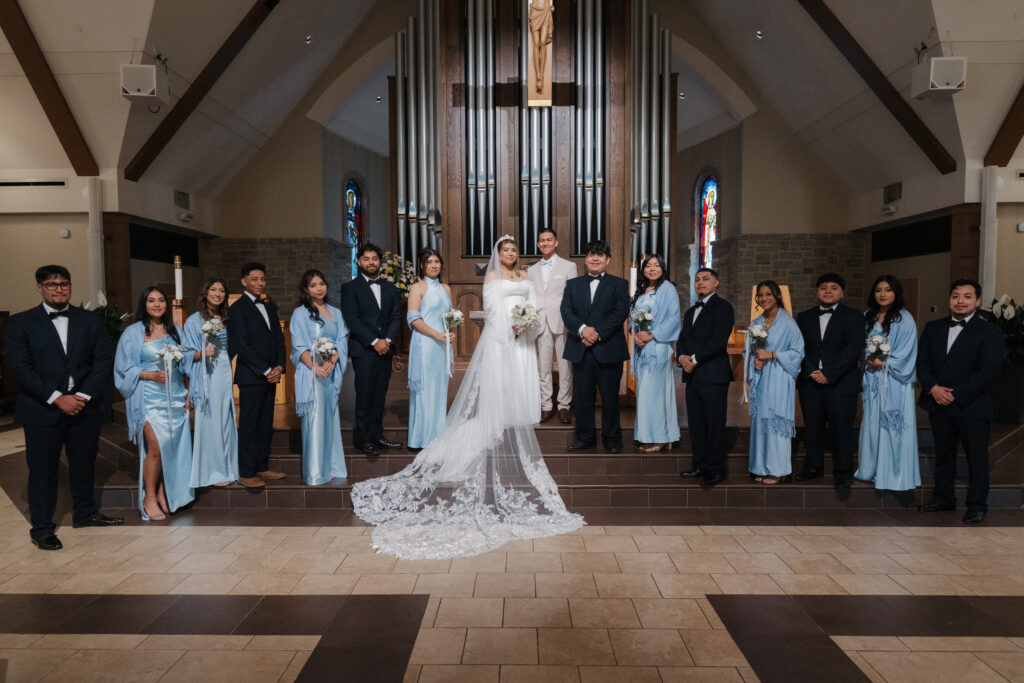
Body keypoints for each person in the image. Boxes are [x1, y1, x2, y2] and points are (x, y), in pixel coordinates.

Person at [351, 235, 583, 559]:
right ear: (498, 254)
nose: (510, 253)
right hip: (503, 335)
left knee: (524, 373)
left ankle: (523, 411)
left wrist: (525, 322)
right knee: (501, 379)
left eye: (514, 249)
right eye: (505, 249)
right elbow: (492, 308)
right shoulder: (492, 276)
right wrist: (510, 327)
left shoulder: (525, 276)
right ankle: (497, 413)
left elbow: (532, 304)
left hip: (523, 334)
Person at [4, 265, 122, 550]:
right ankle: (42, 528)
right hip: (41, 409)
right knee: (43, 469)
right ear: (39, 287)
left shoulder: (90, 320)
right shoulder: (22, 322)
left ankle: (86, 513)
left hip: (84, 406)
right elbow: (20, 366)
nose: (59, 289)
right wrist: (57, 397)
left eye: (64, 284)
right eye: (52, 284)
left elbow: (103, 360)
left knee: (84, 464)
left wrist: (81, 395)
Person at [917, 278, 1003, 525]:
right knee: (943, 455)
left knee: (976, 457)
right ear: (949, 299)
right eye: (955, 296)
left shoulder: (990, 332)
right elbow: (922, 362)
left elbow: (989, 371)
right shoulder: (933, 327)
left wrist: (955, 393)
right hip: (938, 403)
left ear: (976, 301)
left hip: (972, 406)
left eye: (967, 296)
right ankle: (943, 498)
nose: (960, 301)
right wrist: (933, 388)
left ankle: (977, 505)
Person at [114, 287, 194, 520]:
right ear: (144, 304)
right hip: (148, 398)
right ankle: (148, 496)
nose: (157, 304)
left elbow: (186, 365)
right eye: (151, 300)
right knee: (156, 449)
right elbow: (122, 369)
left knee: (172, 447)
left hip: (176, 397)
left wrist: (189, 392)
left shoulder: (175, 330)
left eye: (161, 300)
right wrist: (151, 375)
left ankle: (164, 492)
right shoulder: (132, 332)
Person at [794, 273, 863, 495]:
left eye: (834, 287)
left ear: (841, 292)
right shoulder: (804, 317)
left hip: (841, 384)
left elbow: (853, 349)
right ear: (817, 292)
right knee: (812, 427)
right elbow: (798, 347)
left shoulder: (853, 317)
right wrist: (812, 370)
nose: (828, 291)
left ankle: (843, 474)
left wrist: (830, 374)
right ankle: (813, 467)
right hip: (811, 382)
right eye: (823, 287)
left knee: (841, 430)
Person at [561, 240, 630, 453]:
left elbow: (620, 312)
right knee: (582, 398)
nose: (595, 258)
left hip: (609, 348)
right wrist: (583, 329)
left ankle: (612, 439)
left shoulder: (619, 284)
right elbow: (566, 311)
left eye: (600, 255)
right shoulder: (572, 284)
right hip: (581, 349)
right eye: (592, 254)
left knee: (610, 398)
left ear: (607, 260)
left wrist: (596, 332)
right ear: (585, 258)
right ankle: (585, 438)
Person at [854, 275, 920, 494]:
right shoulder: (867, 316)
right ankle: (870, 469)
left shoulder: (904, 319)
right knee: (872, 425)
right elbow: (861, 345)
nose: (882, 294)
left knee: (892, 426)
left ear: (896, 293)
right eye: (878, 290)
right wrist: (869, 357)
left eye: (888, 290)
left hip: (893, 382)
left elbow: (908, 351)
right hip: (872, 380)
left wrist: (885, 361)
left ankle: (893, 474)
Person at [340, 243, 404, 457]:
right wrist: (374, 341)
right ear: (359, 261)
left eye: (374, 259)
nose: (370, 262)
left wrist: (386, 340)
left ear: (379, 261)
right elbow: (352, 319)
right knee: (365, 394)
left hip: (385, 348)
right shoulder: (350, 288)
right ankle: (364, 439)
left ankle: (378, 435)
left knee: (380, 395)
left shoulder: (390, 288)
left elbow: (396, 317)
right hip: (364, 350)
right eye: (366, 259)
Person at [228, 262, 287, 489]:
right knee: (250, 424)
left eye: (262, 279)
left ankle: (263, 466)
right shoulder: (237, 309)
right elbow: (242, 345)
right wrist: (265, 370)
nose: (260, 283)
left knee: (265, 423)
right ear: (244, 281)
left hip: (272, 375)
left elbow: (279, 341)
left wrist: (279, 366)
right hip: (251, 376)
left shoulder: (269, 306)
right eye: (255, 279)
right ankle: (246, 471)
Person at [289, 269, 349, 485]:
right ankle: (316, 471)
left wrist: (333, 360)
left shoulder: (335, 312)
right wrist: (316, 367)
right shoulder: (300, 314)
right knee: (315, 421)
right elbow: (299, 346)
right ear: (306, 289)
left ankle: (331, 464)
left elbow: (341, 339)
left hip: (330, 373)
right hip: (313, 374)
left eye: (322, 283)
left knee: (330, 419)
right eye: (314, 285)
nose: (319, 288)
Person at [677, 267, 734, 488]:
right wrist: (681, 356)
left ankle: (716, 469)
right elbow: (682, 338)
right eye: (697, 280)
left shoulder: (723, 308)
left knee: (714, 423)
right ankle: (700, 465)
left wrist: (693, 358)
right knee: (697, 424)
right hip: (693, 376)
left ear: (716, 283)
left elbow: (718, 341)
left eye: (706, 279)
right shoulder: (691, 312)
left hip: (713, 375)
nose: (700, 283)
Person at [745, 280, 804, 485]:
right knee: (761, 422)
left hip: (779, 378)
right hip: (762, 380)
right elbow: (749, 352)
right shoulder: (756, 323)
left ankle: (778, 470)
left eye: (768, 294)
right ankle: (761, 466)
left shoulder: (788, 323)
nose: (764, 298)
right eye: (760, 295)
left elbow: (798, 352)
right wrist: (755, 360)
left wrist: (771, 355)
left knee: (775, 422)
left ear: (777, 296)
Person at [182, 278, 237, 489]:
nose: (218, 293)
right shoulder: (194, 320)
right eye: (213, 289)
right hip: (207, 375)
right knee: (212, 421)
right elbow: (186, 353)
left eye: (222, 290)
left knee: (225, 419)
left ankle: (228, 466)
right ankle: (213, 471)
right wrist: (201, 353)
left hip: (224, 371)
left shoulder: (226, 317)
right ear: (205, 292)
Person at [630, 254, 681, 452]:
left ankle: (659, 438)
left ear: (663, 268)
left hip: (658, 346)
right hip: (642, 347)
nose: (652, 268)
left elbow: (673, 319)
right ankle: (657, 435)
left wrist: (650, 335)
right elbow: (633, 318)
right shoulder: (642, 291)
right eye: (648, 265)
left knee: (656, 392)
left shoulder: (667, 289)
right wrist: (635, 334)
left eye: (656, 265)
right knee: (645, 392)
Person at [527, 228, 578, 423]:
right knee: (543, 366)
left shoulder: (569, 266)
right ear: (538, 244)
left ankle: (564, 405)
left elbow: (573, 296)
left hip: (562, 321)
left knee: (565, 367)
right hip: (540, 322)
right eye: (542, 241)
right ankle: (545, 405)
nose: (545, 243)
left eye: (549, 240)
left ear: (556, 242)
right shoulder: (530, 270)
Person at [406, 248, 454, 449]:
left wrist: (451, 332)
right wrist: (435, 334)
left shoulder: (446, 288)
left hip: (442, 346)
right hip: (425, 345)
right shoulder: (418, 287)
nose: (434, 265)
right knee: (425, 390)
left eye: (437, 261)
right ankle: (421, 438)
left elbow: (449, 317)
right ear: (423, 266)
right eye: (430, 262)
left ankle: (439, 435)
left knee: (440, 389)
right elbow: (413, 318)